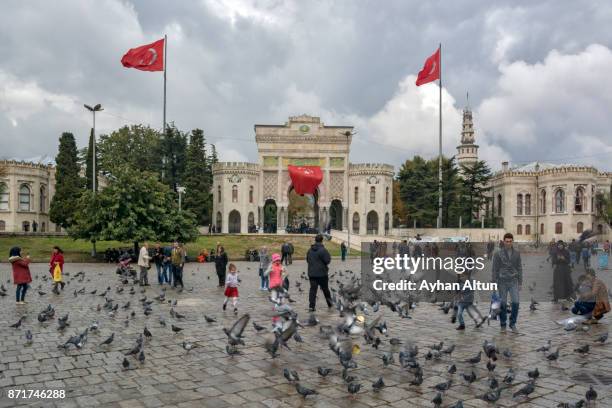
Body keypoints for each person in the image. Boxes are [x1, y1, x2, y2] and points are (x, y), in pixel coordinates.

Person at [491, 232, 522, 333]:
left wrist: (520, 282)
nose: (508, 243)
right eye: (506, 241)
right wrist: (494, 282)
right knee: (503, 304)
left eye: (510, 241)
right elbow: (494, 269)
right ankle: (503, 324)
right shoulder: (498, 254)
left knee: (516, 302)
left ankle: (512, 323)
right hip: (502, 282)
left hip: (513, 281)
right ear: (504, 242)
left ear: (512, 242)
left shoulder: (517, 254)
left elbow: (519, 268)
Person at [306, 234, 332, 312]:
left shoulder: (309, 250)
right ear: (321, 240)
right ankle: (330, 303)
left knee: (313, 290)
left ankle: (311, 306)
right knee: (325, 289)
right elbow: (327, 261)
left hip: (312, 273)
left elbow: (307, 260)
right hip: (322, 274)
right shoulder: (323, 250)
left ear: (315, 240)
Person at [264, 253, 288, 330]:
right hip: (273, 286)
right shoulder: (271, 266)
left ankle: (281, 314)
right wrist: (269, 270)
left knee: (282, 301)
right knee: (274, 300)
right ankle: (275, 315)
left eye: (279, 260)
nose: (278, 261)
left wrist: (284, 273)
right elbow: (265, 274)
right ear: (273, 260)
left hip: (280, 286)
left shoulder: (281, 266)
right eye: (276, 260)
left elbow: (286, 274)